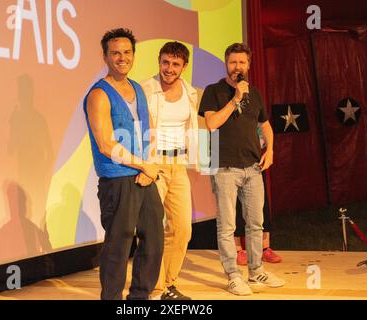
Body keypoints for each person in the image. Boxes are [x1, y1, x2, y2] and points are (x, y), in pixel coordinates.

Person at [83, 28, 164, 300]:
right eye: (115, 53)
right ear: (105, 57)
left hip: (144, 176)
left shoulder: (137, 88)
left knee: (154, 239)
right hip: (117, 180)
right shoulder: (98, 94)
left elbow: (149, 131)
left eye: (127, 52)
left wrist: (148, 168)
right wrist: (143, 166)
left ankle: (139, 298)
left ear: (133, 55)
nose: (122, 58)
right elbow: (106, 144)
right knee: (118, 246)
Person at [199, 43, 285, 296]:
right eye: (233, 62)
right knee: (227, 226)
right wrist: (235, 99)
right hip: (224, 167)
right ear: (226, 64)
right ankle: (233, 276)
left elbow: (265, 125)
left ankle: (256, 270)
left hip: (252, 167)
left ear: (249, 65)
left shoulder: (254, 93)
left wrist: (270, 150)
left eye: (242, 62)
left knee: (256, 223)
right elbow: (212, 124)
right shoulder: (214, 91)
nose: (237, 67)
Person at [142, 41, 199, 300]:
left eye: (175, 64)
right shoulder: (146, 89)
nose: (169, 68)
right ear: (159, 61)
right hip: (155, 165)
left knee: (183, 229)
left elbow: (194, 127)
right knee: (154, 229)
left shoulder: (190, 92)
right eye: (165, 62)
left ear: (184, 67)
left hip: (179, 166)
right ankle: (155, 288)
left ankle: (168, 284)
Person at [234, 171, 282, 265]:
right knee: (235, 202)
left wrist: (269, 155)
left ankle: (265, 248)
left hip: (255, 161)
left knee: (261, 199)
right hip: (230, 164)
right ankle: (237, 250)